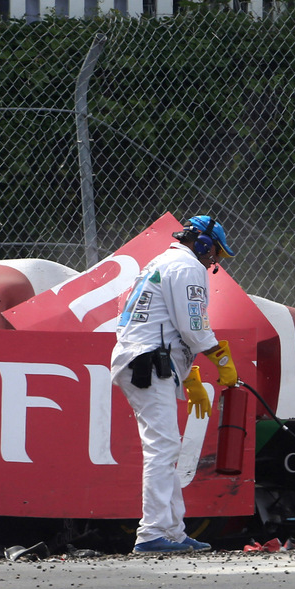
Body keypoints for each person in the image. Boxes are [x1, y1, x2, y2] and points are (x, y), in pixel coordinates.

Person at [110, 215, 238, 554]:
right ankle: (151, 533)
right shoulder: (187, 268)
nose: (214, 262)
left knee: (166, 447)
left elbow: (162, 322)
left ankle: (173, 532)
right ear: (203, 244)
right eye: (215, 255)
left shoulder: (162, 261)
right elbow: (193, 326)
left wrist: (187, 373)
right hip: (148, 363)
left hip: (145, 360)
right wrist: (221, 359)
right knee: (163, 447)